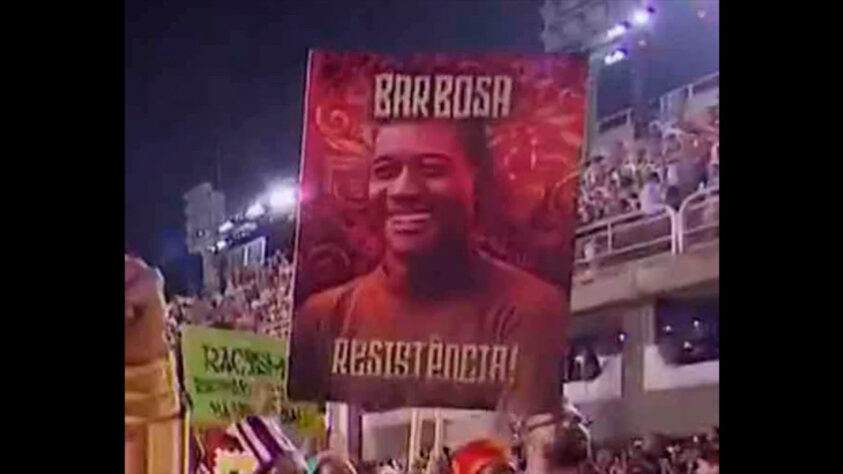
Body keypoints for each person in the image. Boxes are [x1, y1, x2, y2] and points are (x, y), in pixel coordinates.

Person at [290, 120, 568, 417]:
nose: (404, 190)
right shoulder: (322, 318)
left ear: (477, 181)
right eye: (386, 171)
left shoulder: (531, 309)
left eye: (432, 169)